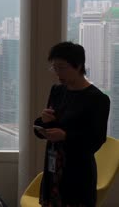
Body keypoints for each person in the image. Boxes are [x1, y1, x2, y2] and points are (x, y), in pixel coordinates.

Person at [34, 41, 110, 206]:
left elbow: (96, 140)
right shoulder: (57, 91)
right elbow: (46, 127)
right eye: (54, 68)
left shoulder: (98, 99)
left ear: (78, 66)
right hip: (53, 169)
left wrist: (66, 136)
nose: (57, 73)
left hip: (78, 173)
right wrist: (43, 122)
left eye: (61, 67)